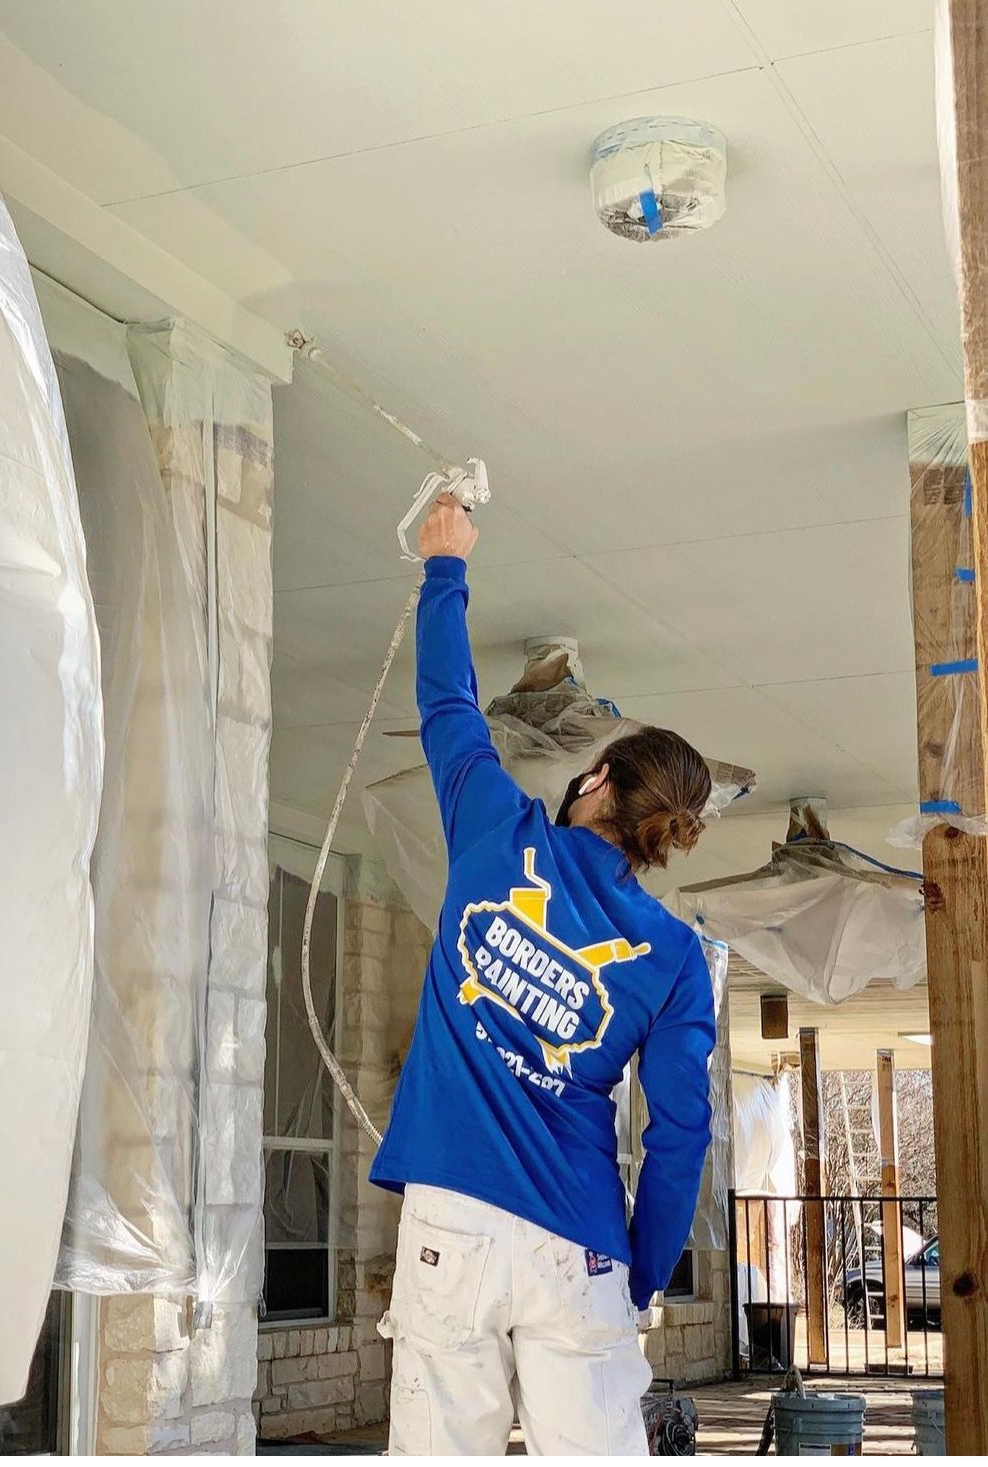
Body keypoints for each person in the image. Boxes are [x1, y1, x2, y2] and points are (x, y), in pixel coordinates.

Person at [370, 495, 716, 1456]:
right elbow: (681, 1135)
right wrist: (634, 1278)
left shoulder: (496, 827)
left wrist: (446, 565)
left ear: (597, 779)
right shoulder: (675, 957)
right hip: (579, 1238)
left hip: (454, 1216)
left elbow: (447, 705)